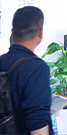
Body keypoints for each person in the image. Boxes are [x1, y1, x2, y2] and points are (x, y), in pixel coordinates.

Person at [0, 7, 51, 135]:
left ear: (12, 32)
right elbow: (37, 122)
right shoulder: (37, 68)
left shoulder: (2, 61)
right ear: (41, 33)